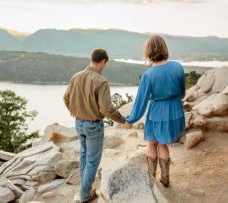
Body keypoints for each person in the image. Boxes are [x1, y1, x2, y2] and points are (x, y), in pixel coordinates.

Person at [63, 48, 127, 203]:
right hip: (93, 126)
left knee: (84, 157)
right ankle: (85, 195)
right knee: (92, 161)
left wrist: (73, 110)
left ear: (91, 59)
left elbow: (66, 97)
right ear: (103, 62)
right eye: (105, 64)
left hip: (78, 123)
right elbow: (106, 109)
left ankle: (85, 190)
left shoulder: (76, 77)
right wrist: (123, 120)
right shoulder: (101, 81)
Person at [125, 35, 186, 187]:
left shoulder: (149, 75)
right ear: (164, 48)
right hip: (175, 110)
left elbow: (141, 102)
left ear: (148, 52)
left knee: (152, 143)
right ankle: (165, 179)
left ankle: (151, 179)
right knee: (163, 144)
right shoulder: (178, 67)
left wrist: (130, 119)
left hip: (158, 113)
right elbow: (182, 92)